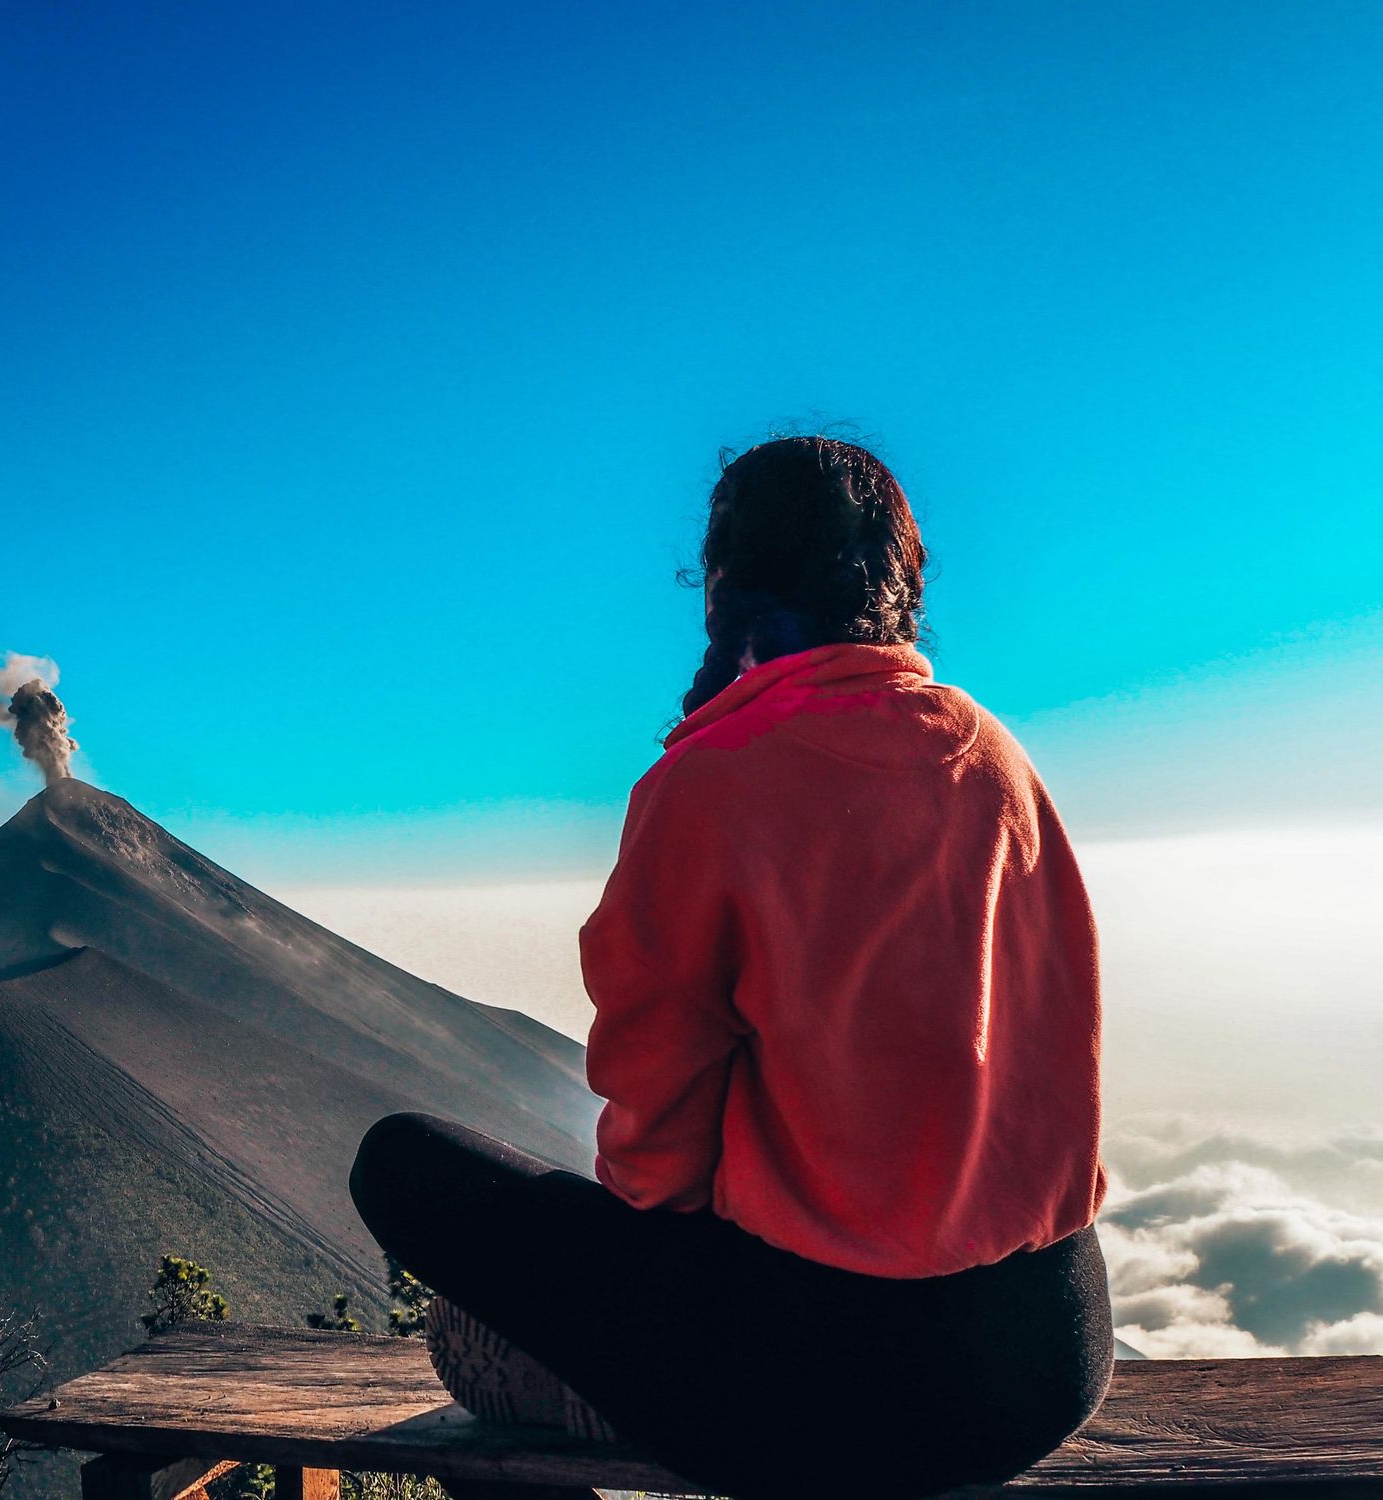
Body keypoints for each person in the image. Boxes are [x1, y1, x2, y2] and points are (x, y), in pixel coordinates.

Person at [348, 435, 1114, 1500]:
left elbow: (652, 1168)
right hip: (1049, 1357)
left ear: (722, 589)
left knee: (404, 1166)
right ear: (900, 584)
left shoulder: (706, 783)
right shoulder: (997, 759)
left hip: (834, 1387)